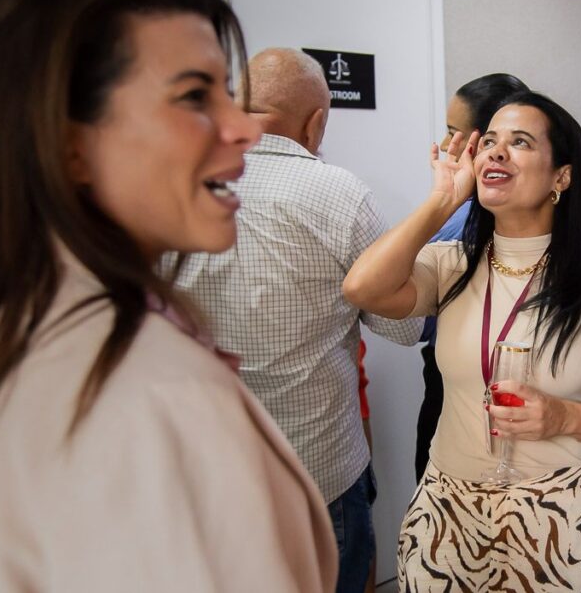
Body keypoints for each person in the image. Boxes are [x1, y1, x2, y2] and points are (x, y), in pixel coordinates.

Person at [0, 0, 337, 590]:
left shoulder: (22, 326)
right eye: (195, 96)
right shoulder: (151, 392)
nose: (245, 128)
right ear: (66, 143)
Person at [344, 91, 581, 590]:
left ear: (561, 177)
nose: (496, 151)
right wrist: (443, 200)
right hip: (447, 515)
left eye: (520, 142)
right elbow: (362, 289)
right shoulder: (451, 264)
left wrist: (565, 417)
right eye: (489, 141)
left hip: (558, 522)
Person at [173, 47, 422, 593]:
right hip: (318, 473)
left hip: (208, 470)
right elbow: (402, 327)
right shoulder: (339, 194)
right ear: (315, 123)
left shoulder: (175, 188)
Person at [416, 72, 529, 481]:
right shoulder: (463, 216)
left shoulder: (459, 222)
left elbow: (407, 320)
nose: (444, 143)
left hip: (463, 383)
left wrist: (442, 202)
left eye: (452, 132)